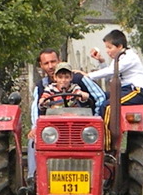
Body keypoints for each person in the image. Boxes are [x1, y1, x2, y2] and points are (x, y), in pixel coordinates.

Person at [26, 49, 106, 181]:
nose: (50, 66)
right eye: (46, 63)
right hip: (54, 129)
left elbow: (100, 97)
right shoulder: (43, 86)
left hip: (82, 126)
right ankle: (33, 178)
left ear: (59, 61)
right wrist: (35, 126)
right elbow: (37, 106)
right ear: (41, 66)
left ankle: (100, 176)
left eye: (53, 61)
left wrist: (97, 120)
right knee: (33, 141)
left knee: (98, 139)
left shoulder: (78, 81)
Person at [86, 29, 143, 117]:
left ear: (119, 46)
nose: (107, 51)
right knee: (97, 97)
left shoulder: (129, 56)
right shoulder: (117, 59)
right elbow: (110, 77)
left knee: (108, 106)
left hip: (137, 91)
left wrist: (87, 76)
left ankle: (104, 130)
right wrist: (101, 61)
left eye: (109, 47)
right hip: (124, 90)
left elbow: (112, 71)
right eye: (106, 48)